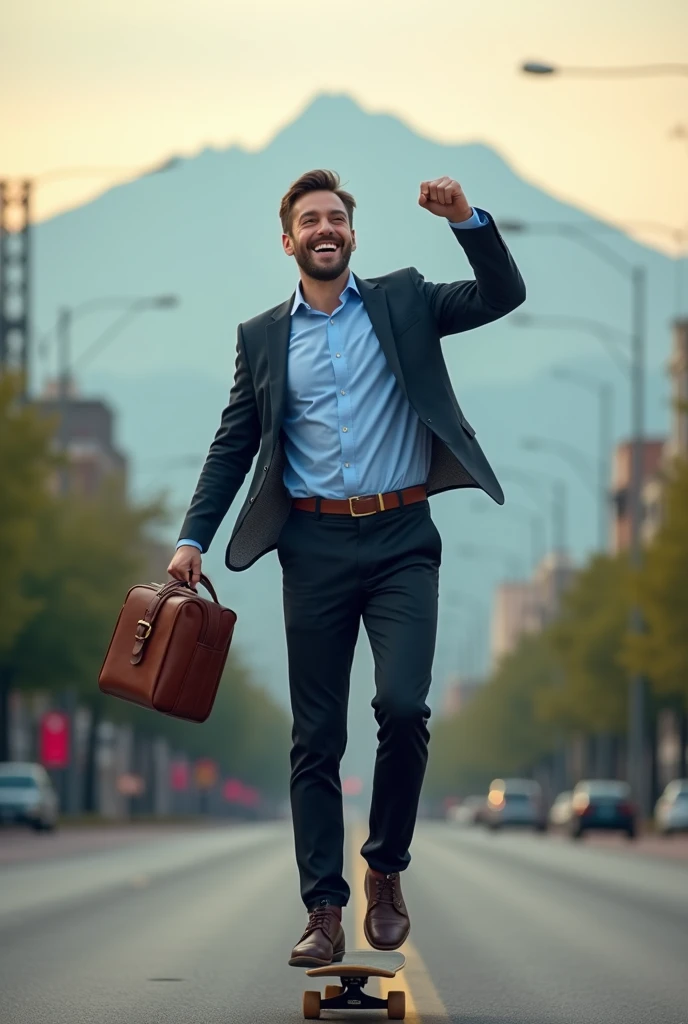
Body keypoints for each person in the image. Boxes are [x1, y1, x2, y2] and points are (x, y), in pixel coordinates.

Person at [167, 169, 525, 966]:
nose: (324, 229)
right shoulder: (262, 337)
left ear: (352, 235)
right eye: (309, 220)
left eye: (336, 218)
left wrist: (466, 219)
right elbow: (234, 445)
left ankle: (386, 869)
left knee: (402, 707)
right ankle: (324, 909)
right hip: (314, 547)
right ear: (288, 240)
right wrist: (193, 537)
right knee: (317, 736)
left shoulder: (404, 300)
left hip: (403, 538)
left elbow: (501, 295)